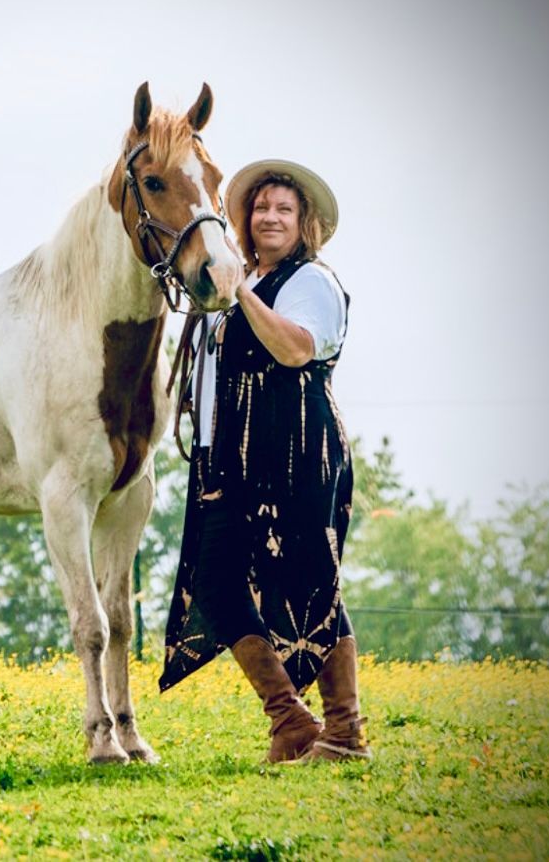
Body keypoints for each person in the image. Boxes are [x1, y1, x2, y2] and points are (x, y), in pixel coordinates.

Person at [159, 159, 370, 763]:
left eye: (283, 209)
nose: (269, 217)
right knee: (218, 585)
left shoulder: (311, 281)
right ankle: (291, 721)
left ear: (303, 223)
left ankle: (345, 730)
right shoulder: (230, 290)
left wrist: (241, 290)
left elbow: (296, 348)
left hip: (298, 448)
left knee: (312, 581)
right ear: (244, 222)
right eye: (260, 208)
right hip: (232, 460)